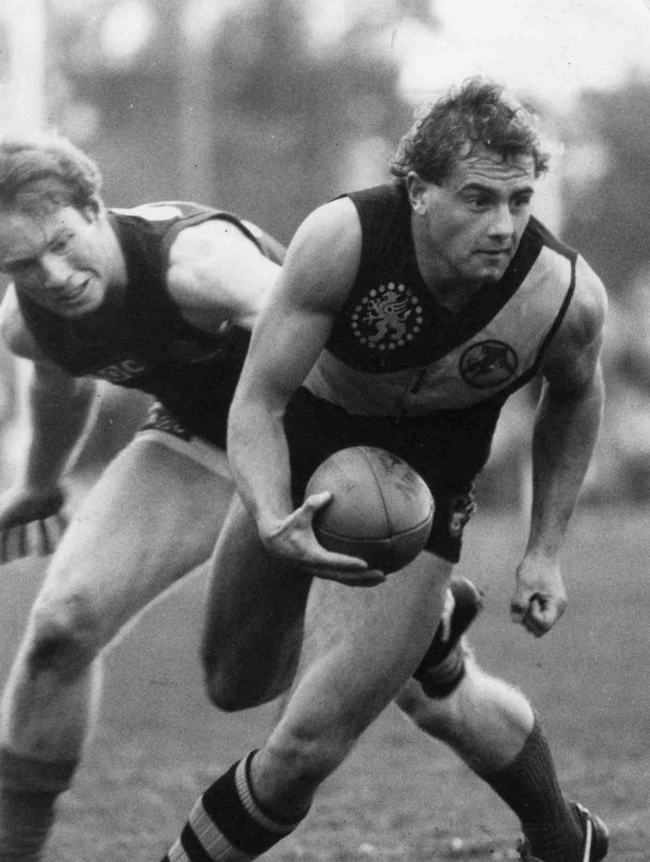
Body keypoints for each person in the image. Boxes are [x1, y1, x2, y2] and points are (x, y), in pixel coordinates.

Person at [0, 130, 519, 862]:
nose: (51, 274)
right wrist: (39, 484)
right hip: (196, 437)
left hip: (315, 434)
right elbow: (58, 381)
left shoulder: (199, 266)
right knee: (61, 624)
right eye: (21, 263)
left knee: (400, 698)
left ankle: (550, 815)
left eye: (59, 242)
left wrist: (398, 497)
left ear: (94, 206)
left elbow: (344, 341)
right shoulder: (28, 320)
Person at [161, 78, 610, 862]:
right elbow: (259, 400)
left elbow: (575, 399)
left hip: (426, 499)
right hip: (303, 462)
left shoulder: (564, 295)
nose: (503, 225)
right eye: (477, 199)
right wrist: (271, 514)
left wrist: (544, 549)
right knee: (236, 681)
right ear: (418, 191)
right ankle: (428, 635)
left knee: (302, 747)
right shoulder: (344, 238)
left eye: (519, 200)